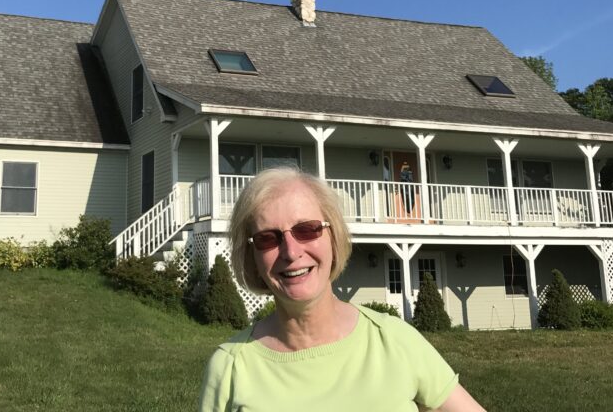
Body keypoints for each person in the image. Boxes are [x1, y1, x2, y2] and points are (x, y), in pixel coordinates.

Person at [199, 168, 485, 411]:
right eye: (267, 238)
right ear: (252, 257)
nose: (291, 251)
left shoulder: (393, 341)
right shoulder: (230, 367)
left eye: (307, 229)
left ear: (333, 236)